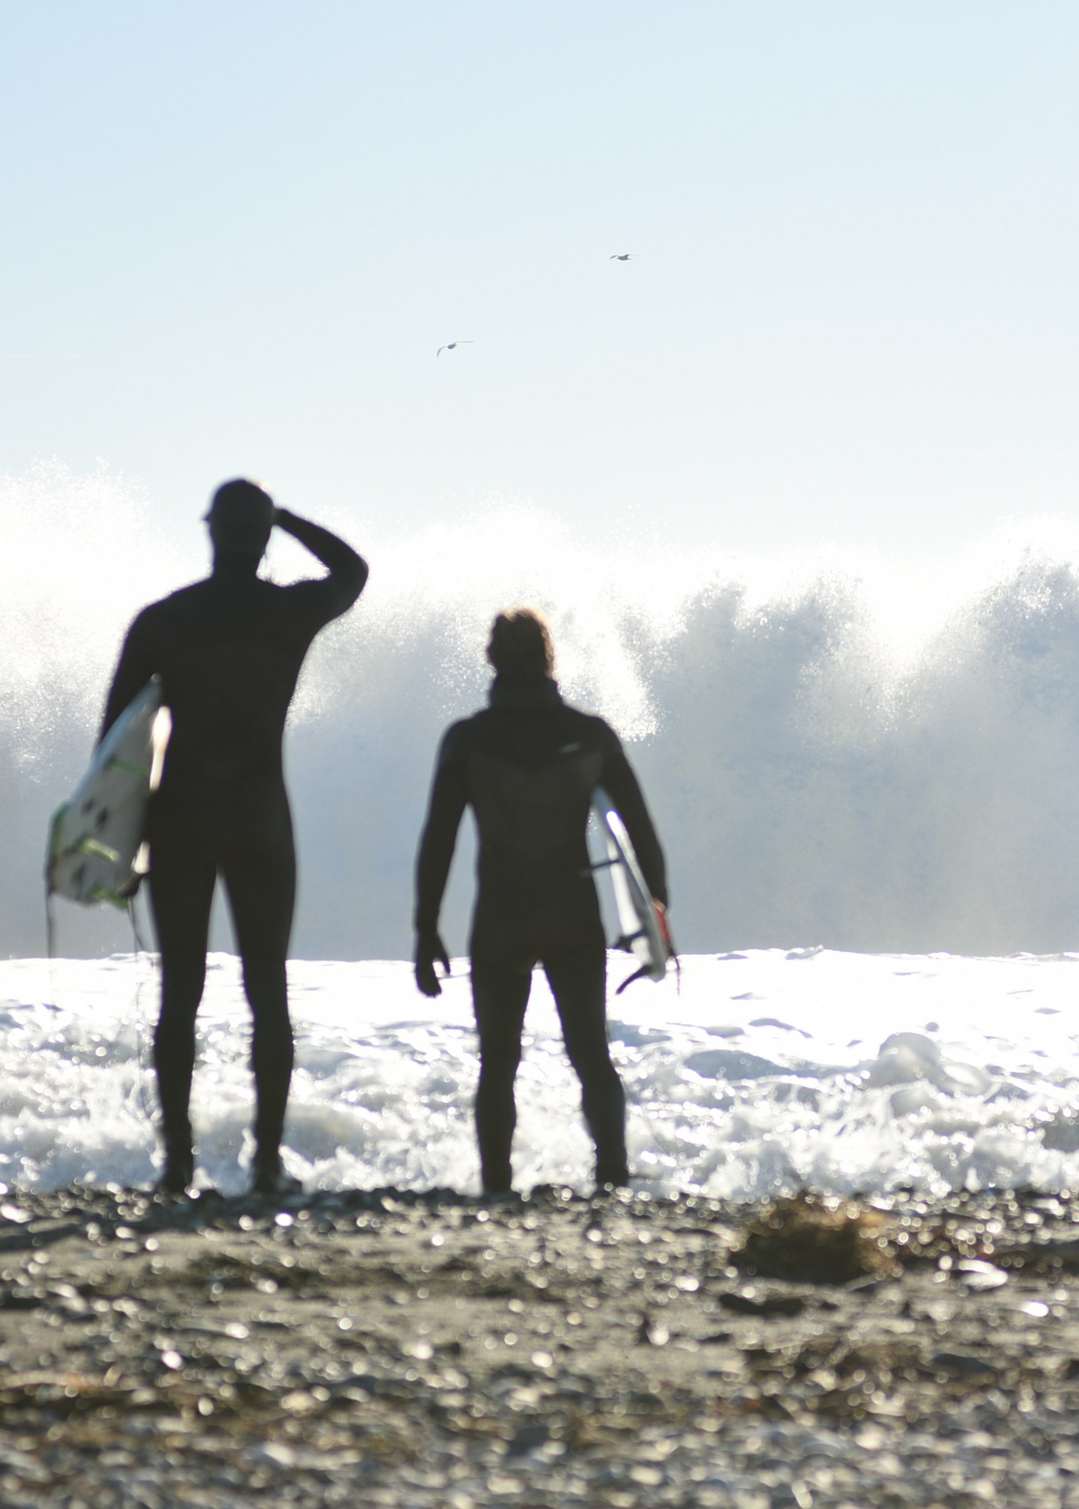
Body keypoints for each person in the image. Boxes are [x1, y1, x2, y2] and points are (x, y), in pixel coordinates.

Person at [101, 480, 367, 1196]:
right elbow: (352, 571)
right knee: (267, 991)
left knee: (179, 993)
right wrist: (289, 519)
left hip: (180, 821)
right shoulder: (288, 613)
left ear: (211, 532)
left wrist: (121, 848)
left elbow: (113, 748)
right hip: (259, 818)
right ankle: (267, 1162)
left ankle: (177, 1162)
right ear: (262, 536)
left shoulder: (165, 620)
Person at [413, 608, 669, 1196]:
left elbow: (438, 840)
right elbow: (641, 833)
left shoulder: (468, 739)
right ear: (550, 659)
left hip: (500, 918)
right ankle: (612, 1178)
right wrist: (658, 918)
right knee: (590, 1053)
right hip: (571, 914)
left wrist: (425, 928)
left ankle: (496, 1187)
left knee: (498, 1062)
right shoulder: (591, 735)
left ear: (492, 660)